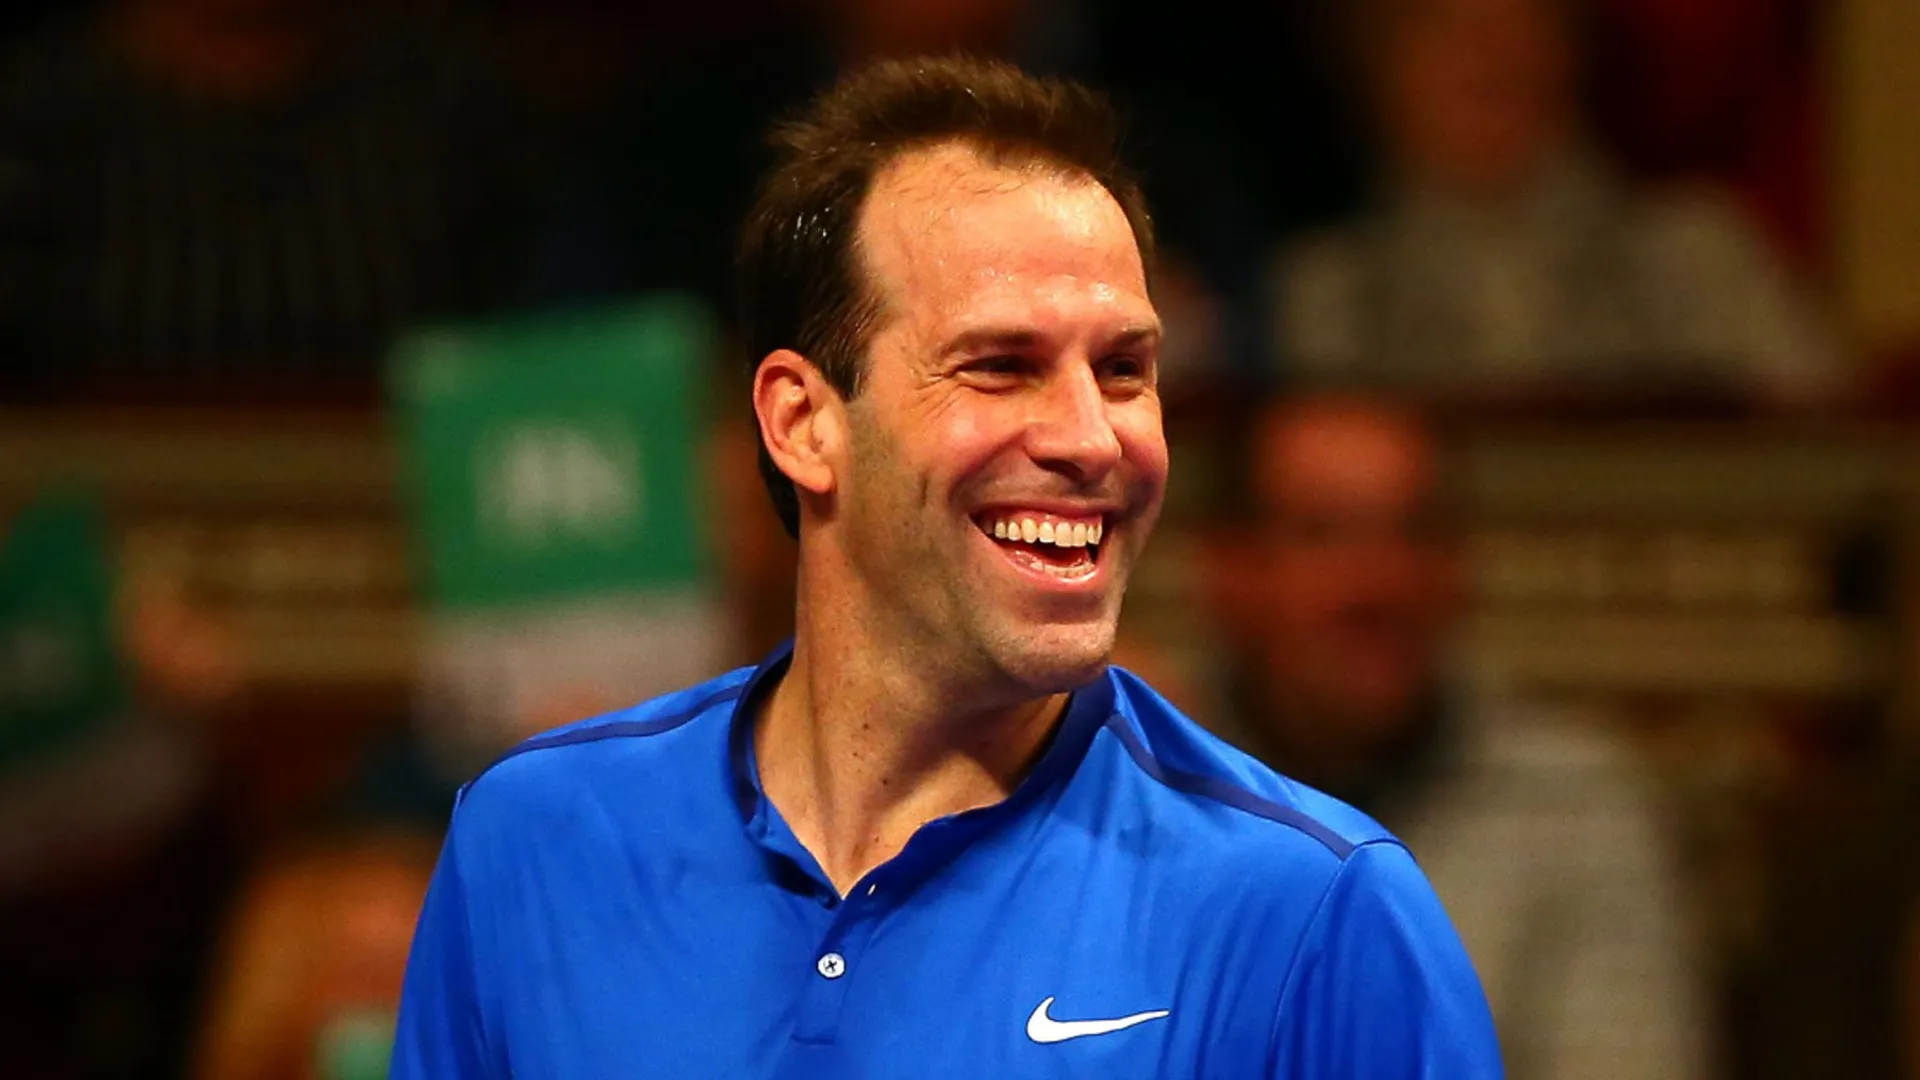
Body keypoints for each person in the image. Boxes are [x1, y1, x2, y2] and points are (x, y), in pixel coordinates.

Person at [391, 56, 1501, 1078]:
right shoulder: (532, 842)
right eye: (1002, 365)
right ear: (803, 422)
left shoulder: (1317, 914)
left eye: (1124, 369)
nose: (1092, 438)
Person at [1207, 393, 1711, 1080]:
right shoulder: (1123, 797)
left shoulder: (1575, 802)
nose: (1377, 583)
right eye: (1323, 535)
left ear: (1457, 568)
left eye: (1413, 533)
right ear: (1229, 572)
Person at [1266, 0, 1838, 411]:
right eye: (1443, 22)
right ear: (1375, 66)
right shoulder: (1330, 291)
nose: (1494, 51)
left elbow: (1829, 468)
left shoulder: (1699, 252)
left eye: (1527, 15)